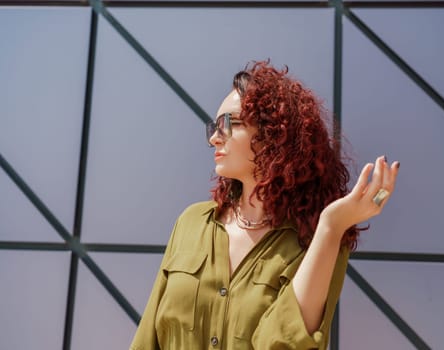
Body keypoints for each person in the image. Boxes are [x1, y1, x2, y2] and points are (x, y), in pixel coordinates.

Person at [130, 61, 399, 350]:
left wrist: (331, 227)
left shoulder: (316, 240)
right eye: (214, 126)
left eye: (227, 124)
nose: (214, 137)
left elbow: (287, 343)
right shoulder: (191, 223)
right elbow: (147, 339)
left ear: (273, 134)